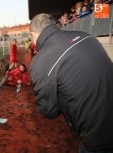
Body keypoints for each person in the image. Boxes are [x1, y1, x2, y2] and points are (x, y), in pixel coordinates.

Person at [29, 13, 113, 153]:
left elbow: (48, 110)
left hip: (100, 136)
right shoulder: (86, 35)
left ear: (32, 33)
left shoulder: (40, 61)